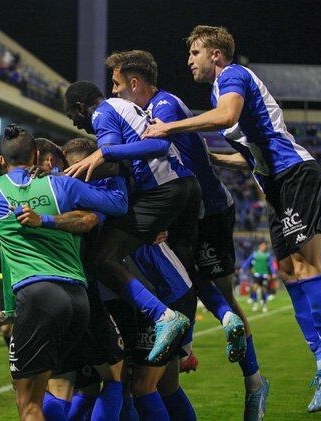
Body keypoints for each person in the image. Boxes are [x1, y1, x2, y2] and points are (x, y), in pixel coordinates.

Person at [142, 25, 321, 413]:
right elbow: (249, 154)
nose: (189, 60)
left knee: (307, 267)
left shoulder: (233, 77)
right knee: (289, 273)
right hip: (274, 182)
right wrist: (212, 159)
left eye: (195, 52)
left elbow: (226, 116)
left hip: (293, 173)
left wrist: (171, 126)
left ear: (216, 55)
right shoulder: (219, 89)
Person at [104, 49, 267, 418]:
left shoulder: (163, 106)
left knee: (212, 288)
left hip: (206, 209)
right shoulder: (149, 111)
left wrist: (103, 153)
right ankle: (196, 344)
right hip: (190, 211)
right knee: (190, 278)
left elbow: (159, 143)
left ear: (133, 83)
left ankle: (253, 379)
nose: (113, 95)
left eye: (116, 86)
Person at [0, 125, 129, 420]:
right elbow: (118, 204)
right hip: (78, 298)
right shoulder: (62, 185)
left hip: (36, 297)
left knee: (31, 402)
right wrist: (117, 166)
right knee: (81, 382)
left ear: (2, 161)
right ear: (36, 156)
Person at [64, 81, 199, 365]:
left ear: (79, 107)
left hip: (162, 188)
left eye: (72, 116)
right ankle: (184, 340)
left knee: (101, 259)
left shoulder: (102, 112)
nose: (76, 124)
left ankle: (165, 318)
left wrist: (66, 180)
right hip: (175, 187)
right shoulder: (120, 108)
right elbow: (117, 158)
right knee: (151, 252)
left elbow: (113, 157)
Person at [241, 242, 275, 313]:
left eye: (265, 246)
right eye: (262, 245)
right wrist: (243, 268)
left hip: (264, 275)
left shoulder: (267, 255)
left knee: (263, 290)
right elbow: (248, 261)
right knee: (254, 288)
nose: (264, 247)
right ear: (259, 246)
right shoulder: (255, 254)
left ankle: (264, 305)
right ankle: (255, 304)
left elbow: (271, 265)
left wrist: (273, 273)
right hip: (256, 275)